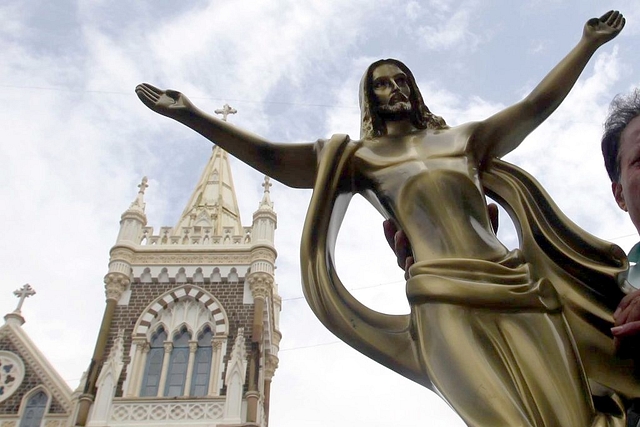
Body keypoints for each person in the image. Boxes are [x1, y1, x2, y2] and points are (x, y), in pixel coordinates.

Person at [137, 11, 631, 426]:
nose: (393, 89)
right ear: (369, 98)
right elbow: (275, 160)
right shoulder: (361, 158)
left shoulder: (463, 141)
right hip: (441, 301)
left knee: (573, 417)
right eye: (381, 84)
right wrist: (193, 116)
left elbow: (533, 106)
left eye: (400, 81)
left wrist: (586, 44)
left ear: (413, 90)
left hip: (517, 287)